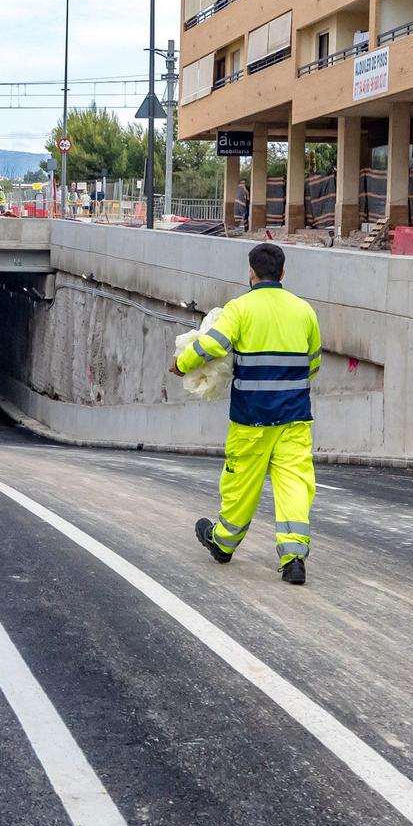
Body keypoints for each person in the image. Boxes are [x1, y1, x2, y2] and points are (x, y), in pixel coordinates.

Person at [172, 242, 320, 585]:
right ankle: (294, 556)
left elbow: (211, 346)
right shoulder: (304, 311)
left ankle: (223, 543)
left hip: (251, 418)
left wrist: (181, 365)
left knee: (240, 484)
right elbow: (313, 364)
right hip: (295, 418)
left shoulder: (239, 310)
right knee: (295, 485)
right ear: (283, 273)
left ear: (251, 273)